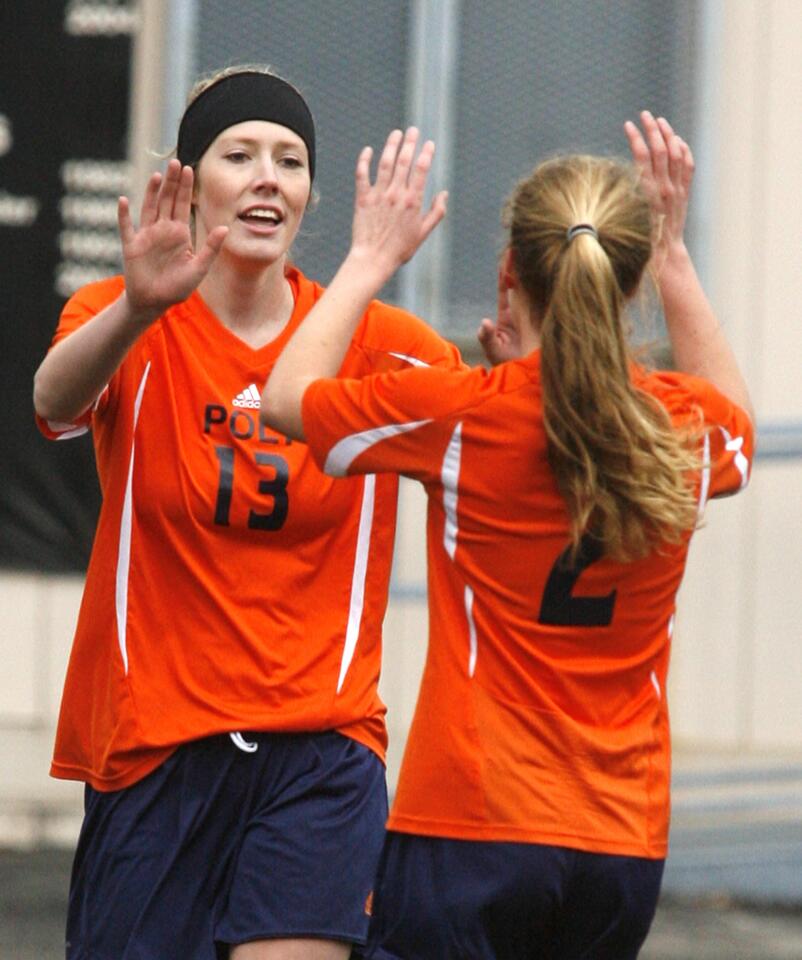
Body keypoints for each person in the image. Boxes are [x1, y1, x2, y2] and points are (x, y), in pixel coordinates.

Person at [261, 114, 755, 960]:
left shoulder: (462, 417)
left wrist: (370, 257)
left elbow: (284, 396)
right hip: (620, 840)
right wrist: (674, 252)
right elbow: (735, 417)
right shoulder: (682, 426)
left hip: (472, 819)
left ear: (508, 277)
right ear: (627, 286)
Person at [32, 67, 465, 960]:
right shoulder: (123, 320)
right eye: (242, 154)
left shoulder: (384, 347)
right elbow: (54, 403)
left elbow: (518, 422)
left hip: (320, 746)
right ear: (190, 182)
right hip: (156, 746)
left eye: (292, 159)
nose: (270, 176)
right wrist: (140, 309)